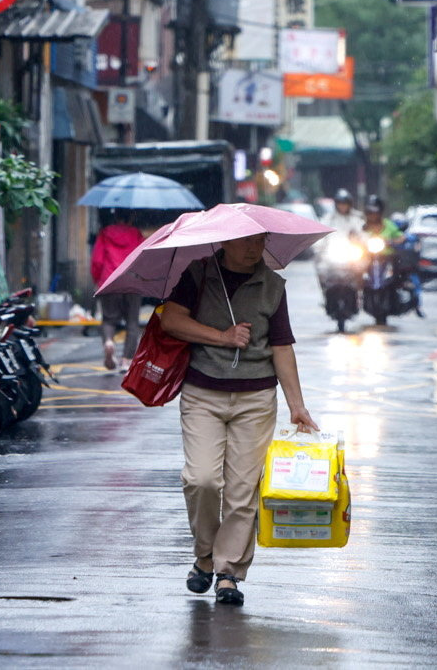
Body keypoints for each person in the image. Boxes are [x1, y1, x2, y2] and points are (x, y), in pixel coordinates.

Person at [157, 234, 319, 607]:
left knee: (242, 492)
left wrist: (297, 404)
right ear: (225, 242)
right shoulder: (197, 274)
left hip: (256, 398)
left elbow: (281, 346)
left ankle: (228, 572)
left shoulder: (273, 286)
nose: (253, 248)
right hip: (203, 394)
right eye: (245, 241)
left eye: (259, 241)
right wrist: (222, 337)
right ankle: (204, 556)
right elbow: (171, 321)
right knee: (202, 480)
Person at [90, 213, 147, 370]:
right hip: (131, 281)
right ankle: (126, 360)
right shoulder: (136, 234)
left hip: (110, 280)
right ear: (131, 218)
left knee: (109, 319)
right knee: (132, 323)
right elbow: (143, 258)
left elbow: (97, 260)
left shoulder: (105, 233)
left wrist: (97, 280)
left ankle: (109, 342)